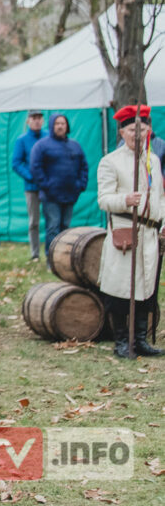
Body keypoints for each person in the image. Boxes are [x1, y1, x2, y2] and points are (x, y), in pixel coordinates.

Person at [97, 105, 164, 359]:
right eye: (133, 130)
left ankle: (140, 340)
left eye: (143, 129)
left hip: (150, 233)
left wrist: (163, 221)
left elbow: (159, 196)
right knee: (122, 288)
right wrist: (125, 199)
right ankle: (122, 342)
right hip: (126, 231)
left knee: (146, 288)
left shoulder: (153, 160)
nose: (138, 134)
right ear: (123, 132)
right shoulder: (110, 161)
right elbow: (104, 199)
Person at [30, 113, 88, 252]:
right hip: (51, 195)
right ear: (51, 125)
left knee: (65, 227)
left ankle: (63, 257)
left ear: (67, 126)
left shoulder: (75, 145)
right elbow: (35, 167)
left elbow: (83, 166)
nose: (60, 126)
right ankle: (52, 257)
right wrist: (47, 185)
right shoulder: (42, 145)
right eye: (57, 123)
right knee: (53, 227)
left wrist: (80, 185)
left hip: (70, 193)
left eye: (63, 123)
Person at [11, 110, 46, 260]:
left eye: (39, 118)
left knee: (52, 221)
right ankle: (35, 253)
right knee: (34, 222)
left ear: (43, 121)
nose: (37, 121)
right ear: (28, 121)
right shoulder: (22, 140)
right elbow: (16, 163)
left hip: (49, 186)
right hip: (32, 188)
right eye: (34, 118)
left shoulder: (48, 137)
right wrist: (31, 177)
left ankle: (52, 251)